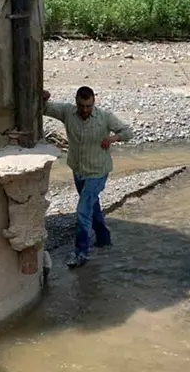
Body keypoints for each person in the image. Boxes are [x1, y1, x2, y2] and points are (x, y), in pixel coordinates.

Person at [43, 86, 134, 268]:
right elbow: (44, 109)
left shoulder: (104, 117)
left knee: (83, 209)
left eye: (88, 106)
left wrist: (112, 139)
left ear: (94, 103)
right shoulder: (67, 112)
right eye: (82, 106)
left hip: (98, 171)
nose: (85, 110)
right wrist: (42, 98)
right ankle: (103, 238)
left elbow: (128, 133)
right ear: (76, 102)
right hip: (78, 170)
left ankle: (81, 253)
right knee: (92, 205)